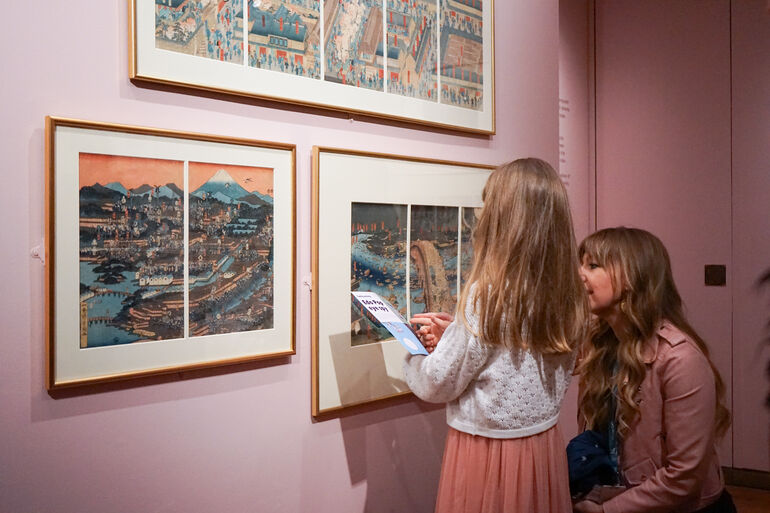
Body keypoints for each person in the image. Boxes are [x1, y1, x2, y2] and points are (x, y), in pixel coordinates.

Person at [404, 158, 589, 513]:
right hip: (541, 450)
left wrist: (414, 354)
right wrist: (456, 333)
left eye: (488, 204)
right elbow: (511, 350)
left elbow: (437, 383)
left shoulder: (486, 294)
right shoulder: (569, 291)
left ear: (503, 219)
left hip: (489, 454)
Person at [573, 227, 735, 513]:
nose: (579, 274)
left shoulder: (680, 359)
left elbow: (683, 478)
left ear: (632, 277)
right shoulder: (600, 346)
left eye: (593, 265)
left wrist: (604, 511)